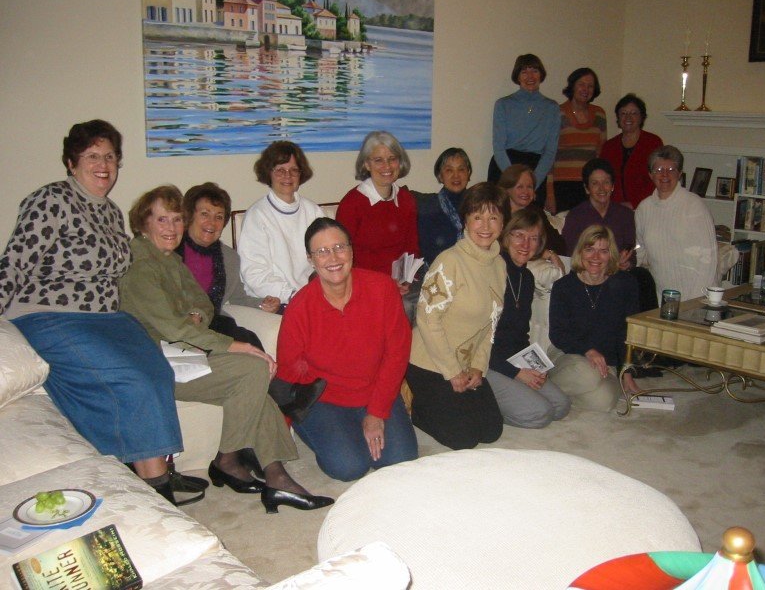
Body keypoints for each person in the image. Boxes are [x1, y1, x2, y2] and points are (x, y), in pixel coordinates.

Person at [0, 120, 187, 504]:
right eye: (93, 156)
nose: (104, 165)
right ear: (72, 162)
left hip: (108, 319)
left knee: (157, 373)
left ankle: (149, 477)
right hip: (51, 315)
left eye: (111, 157)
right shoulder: (51, 200)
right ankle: (160, 493)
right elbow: (15, 262)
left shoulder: (111, 212)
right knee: (133, 381)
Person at [120, 186, 333, 515]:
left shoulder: (168, 259)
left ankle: (274, 475)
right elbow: (174, 329)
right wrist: (235, 344)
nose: (172, 227)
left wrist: (196, 315)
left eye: (177, 219)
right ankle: (229, 460)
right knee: (252, 367)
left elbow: (204, 303)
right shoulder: (140, 265)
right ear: (143, 222)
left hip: (185, 355)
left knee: (252, 376)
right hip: (156, 365)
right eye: (162, 219)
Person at [275, 218, 418, 481]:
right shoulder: (300, 308)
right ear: (311, 259)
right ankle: (331, 432)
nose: (333, 258)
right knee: (349, 467)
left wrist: (376, 412)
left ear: (352, 250)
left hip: (374, 391)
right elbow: (288, 372)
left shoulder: (382, 289)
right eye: (322, 251)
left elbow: (396, 354)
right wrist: (281, 430)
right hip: (324, 399)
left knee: (399, 461)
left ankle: (359, 426)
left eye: (340, 247)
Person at [406, 183, 507, 450]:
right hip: (429, 362)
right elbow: (427, 320)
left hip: (466, 362)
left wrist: (478, 366)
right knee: (464, 439)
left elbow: (491, 322)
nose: (485, 226)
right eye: (477, 217)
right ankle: (420, 412)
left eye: (493, 217)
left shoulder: (499, 264)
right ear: (465, 221)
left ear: (503, 223)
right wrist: (452, 371)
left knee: (491, 431)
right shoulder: (449, 261)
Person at [487, 210, 571, 428]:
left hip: (512, 359)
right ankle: (482, 406)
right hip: (485, 362)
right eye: (519, 235)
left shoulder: (526, 278)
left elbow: (520, 335)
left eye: (533, 238)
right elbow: (478, 342)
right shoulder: (491, 271)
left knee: (561, 406)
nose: (526, 244)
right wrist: (516, 373)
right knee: (539, 414)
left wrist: (535, 365)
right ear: (506, 237)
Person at [548, 225, 640, 411]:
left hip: (606, 363)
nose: (596, 257)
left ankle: (559, 393)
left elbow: (628, 332)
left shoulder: (626, 284)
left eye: (603, 251)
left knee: (604, 402)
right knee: (587, 374)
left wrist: (626, 371)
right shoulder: (564, 287)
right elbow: (558, 334)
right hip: (569, 354)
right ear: (580, 252)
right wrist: (587, 351)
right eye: (589, 249)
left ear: (611, 255)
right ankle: (543, 386)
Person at [336, 130, 420, 319]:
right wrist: (385, 283)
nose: (387, 166)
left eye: (392, 159)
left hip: (400, 282)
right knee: (404, 306)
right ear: (367, 164)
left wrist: (405, 279)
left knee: (436, 297)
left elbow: (412, 247)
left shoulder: (406, 199)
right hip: (364, 282)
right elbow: (343, 257)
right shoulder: (352, 204)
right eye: (378, 160)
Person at [178, 182, 269, 350]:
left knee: (250, 341)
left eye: (219, 217)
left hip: (213, 323)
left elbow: (239, 298)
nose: (211, 223)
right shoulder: (171, 251)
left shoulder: (229, 257)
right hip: (177, 324)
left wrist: (264, 304)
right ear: (190, 215)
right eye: (204, 214)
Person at [562, 158, 658, 314]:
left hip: (618, 274)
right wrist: (607, 265)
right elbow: (571, 256)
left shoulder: (625, 215)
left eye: (606, 182)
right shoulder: (576, 216)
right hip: (588, 274)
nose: (601, 188)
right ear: (587, 188)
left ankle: (647, 326)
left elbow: (631, 252)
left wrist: (627, 263)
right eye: (595, 183)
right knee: (617, 286)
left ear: (612, 186)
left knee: (642, 276)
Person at [238, 141, 323, 314]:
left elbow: (326, 256)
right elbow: (254, 273)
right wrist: (292, 295)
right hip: (278, 300)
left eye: (294, 170)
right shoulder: (257, 215)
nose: (288, 176)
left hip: (313, 295)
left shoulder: (313, 211)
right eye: (280, 170)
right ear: (269, 173)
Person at [635, 145, 718, 300]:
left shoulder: (694, 205)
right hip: (660, 295)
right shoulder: (644, 209)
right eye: (659, 170)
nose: (665, 174)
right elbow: (639, 248)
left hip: (695, 294)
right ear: (650, 175)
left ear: (679, 174)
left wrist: (695, 300)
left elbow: (708, 256)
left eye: (671, 169)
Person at [489, 53, 560, 209]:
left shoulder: (552, 108)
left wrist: (532, 183)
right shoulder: (503, 104)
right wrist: (513, 181)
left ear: (541, 74)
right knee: (499, 217)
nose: (530, 76)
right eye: (524, 71)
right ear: (517, 76)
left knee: (531, 220)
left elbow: (550, 151)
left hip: (536, 170)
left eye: (534, 70)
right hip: (505, 167)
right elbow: (498, 147)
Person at [546, 68, 607, 214]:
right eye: (581, 84)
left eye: (590, 86)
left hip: (590, 186)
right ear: (572, 86)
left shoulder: (600, 114)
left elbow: (601, 153)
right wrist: (550, 194)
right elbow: (549, 156)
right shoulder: (557, 113)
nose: (586, 89)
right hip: (562, 187)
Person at [599, 93, 663, 209]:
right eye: (623, 113)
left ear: (642, 117)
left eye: (634, 113)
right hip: (614, 207)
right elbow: (602, 178)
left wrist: (634, 203)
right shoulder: (609, 146)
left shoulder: (653, 143)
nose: (628, 117)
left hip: (647, 206)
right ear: (618, 118)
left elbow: (658, 178)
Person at [413, 147, 471, 266]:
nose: (456, 175)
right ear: (440, 176)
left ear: (468, 173)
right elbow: (426, 251)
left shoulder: (478, 205)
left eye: (461, 169)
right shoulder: (427, 207)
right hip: (439, 270)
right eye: (449, 170)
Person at [496, 164, 567, 255]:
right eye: (520, 187)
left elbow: (559, 246)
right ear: (507, 189)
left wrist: (547, 253)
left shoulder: (536, 212)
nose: (525, 192)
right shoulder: (497, 213)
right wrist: (540, 254)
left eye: (529, 187)